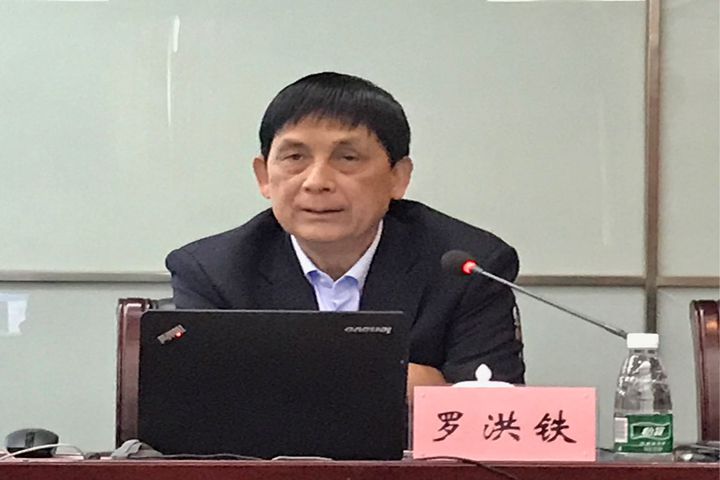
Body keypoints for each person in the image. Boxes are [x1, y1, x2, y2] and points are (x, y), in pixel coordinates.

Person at [166, 72, 525, 396]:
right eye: (295, 158)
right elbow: (204, 403)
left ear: (398, 177)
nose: (317, 182)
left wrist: (281, 379)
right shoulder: (213, 271)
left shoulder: (468, 267)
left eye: (347, 158)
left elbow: (490, 408)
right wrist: (412, 382)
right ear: (264, 177)